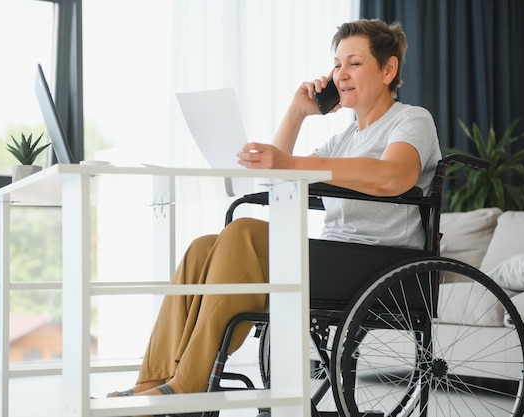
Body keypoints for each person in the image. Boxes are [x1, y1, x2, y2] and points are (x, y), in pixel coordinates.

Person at [107, 18, 442, 399]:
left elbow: (393, 176)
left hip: (380, 264)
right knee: (203, 246)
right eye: (336, 64)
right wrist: (297, 113)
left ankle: (187, 387)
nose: (340, 74)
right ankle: (152, 384)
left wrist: (292, 164)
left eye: (354, 63)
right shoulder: (345, 138)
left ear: (388, 69)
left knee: (245, 232)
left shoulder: (412, 119)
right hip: (338, 259)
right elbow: (279, 174)